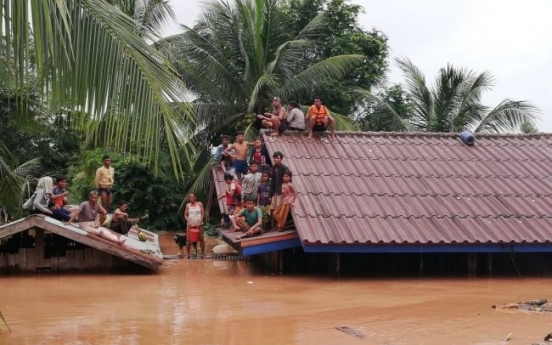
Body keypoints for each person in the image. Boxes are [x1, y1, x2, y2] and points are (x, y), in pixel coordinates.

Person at [184, 193, 205, 258]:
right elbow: (185, 215)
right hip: (190, 226)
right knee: (188, 240)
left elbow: (203, 214)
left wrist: (200, 221)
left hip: (199, 225)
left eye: (192, 197)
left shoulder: (200, 204)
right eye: (189, 197)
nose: (190, 198)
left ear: (195, 198)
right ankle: (188, 254)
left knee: (201, 239)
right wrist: (189, 222)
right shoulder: (188, 205)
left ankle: (203, 253)